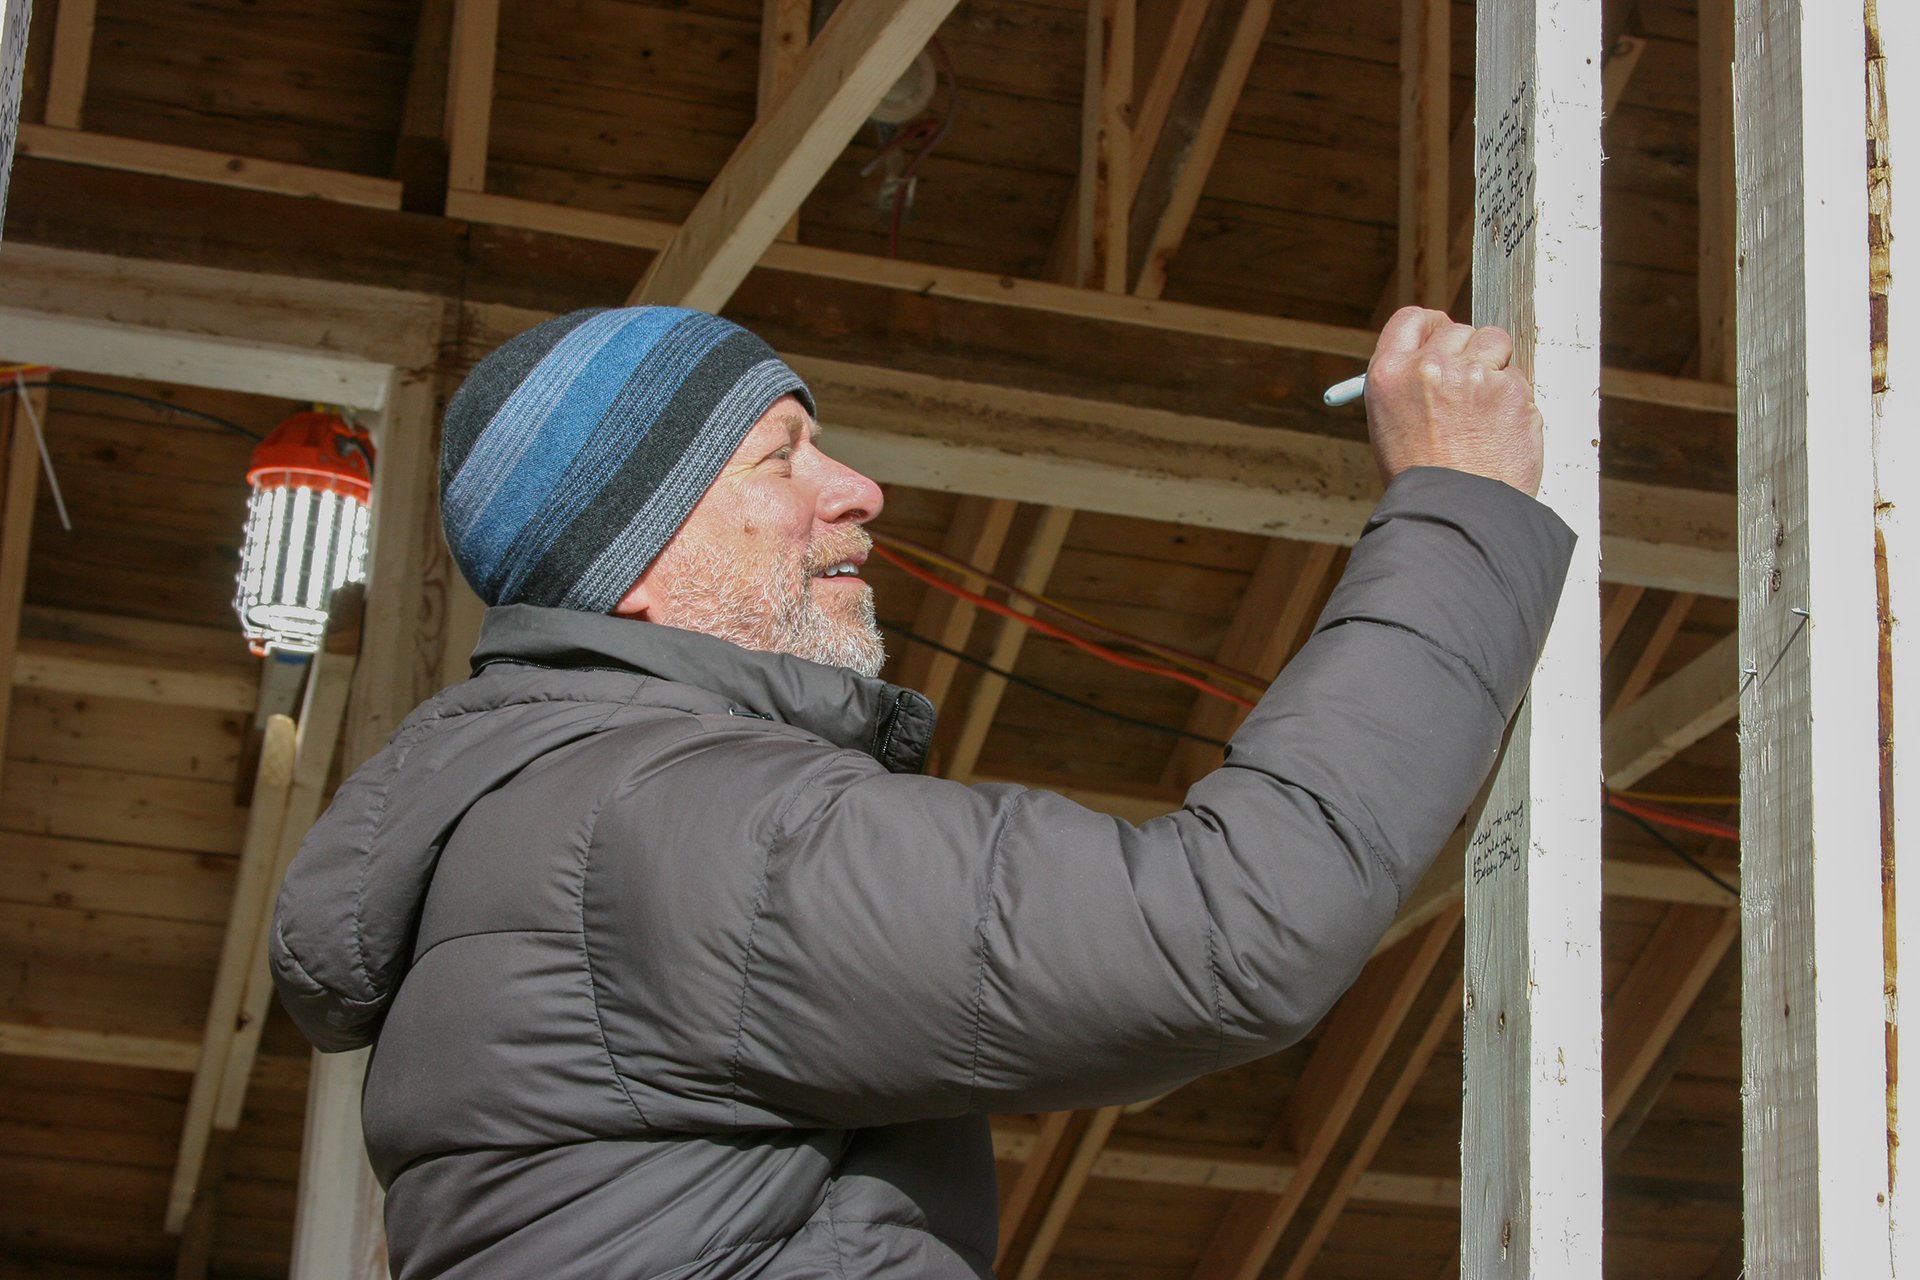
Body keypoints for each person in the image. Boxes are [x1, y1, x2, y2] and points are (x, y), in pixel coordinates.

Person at [271, 303, 1571, 1279]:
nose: (859, 492)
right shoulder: (678, 829)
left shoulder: (541, 827)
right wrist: (1460, 503)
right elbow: (1232, 927)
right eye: (784, 460)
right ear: (639, 555)